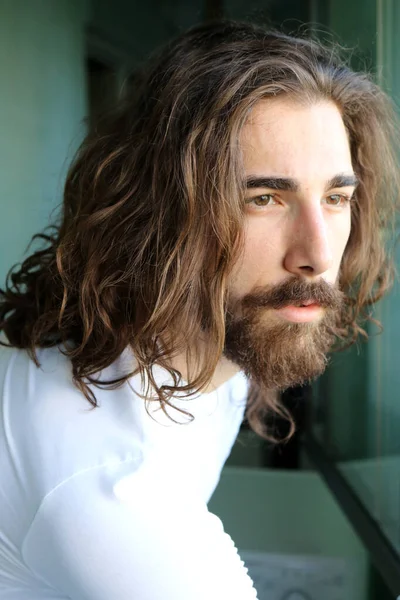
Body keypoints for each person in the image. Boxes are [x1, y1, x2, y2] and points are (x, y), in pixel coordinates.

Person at [0, 19, 398, 600]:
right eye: (263, 199)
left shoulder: (182, 333)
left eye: (337, 198)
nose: (317, 255)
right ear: (157, 213)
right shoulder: (120, 492)